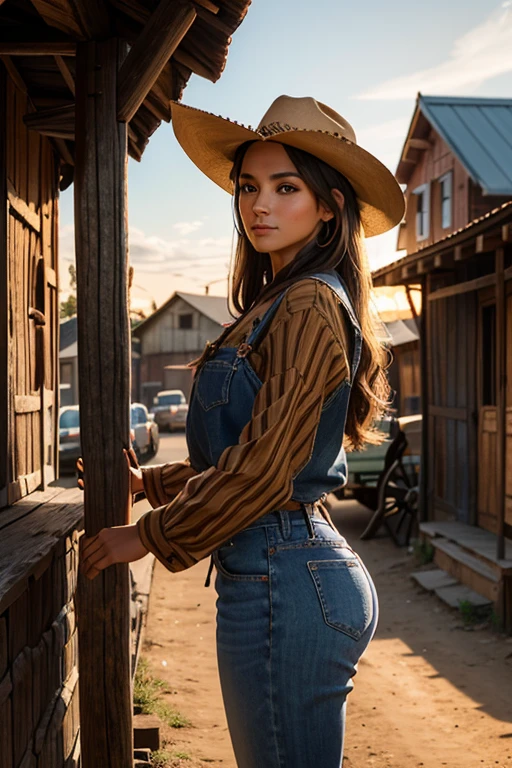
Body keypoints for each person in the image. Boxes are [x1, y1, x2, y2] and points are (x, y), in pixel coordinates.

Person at [80, 95, 405, 767]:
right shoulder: (276, 304)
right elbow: (252, 446)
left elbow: (265, 470)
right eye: (250, 187)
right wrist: (156, 483)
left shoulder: (311, 301)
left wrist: (147, 536)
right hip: (278, 568)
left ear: (329, 205)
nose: (260, 205)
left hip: (283, 575)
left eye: (287, 188)